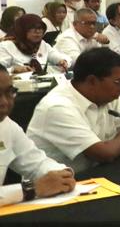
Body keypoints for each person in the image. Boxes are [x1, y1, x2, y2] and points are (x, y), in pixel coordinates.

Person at [27, 47, 120, 172]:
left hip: (98, 174)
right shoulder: (57, 107)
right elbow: (103, 154)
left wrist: (114, 148)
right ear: (92, 81)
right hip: (59, 182)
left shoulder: (110, 96)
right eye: (118, 82)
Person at [0, 66, 76, 207]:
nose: (4, 102)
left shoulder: (6, 126)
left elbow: (37, 163)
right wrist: (30, 189)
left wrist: (62, 175)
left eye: (9, 92)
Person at [0, 14, 69, 73]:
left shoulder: (42, 44)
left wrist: (62, 61)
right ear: (22, 29)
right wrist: (13, 69)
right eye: (33, 28)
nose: (38, 32)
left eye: (40, 28)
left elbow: (56, 55)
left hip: (41, 82)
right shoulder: (7, 46)